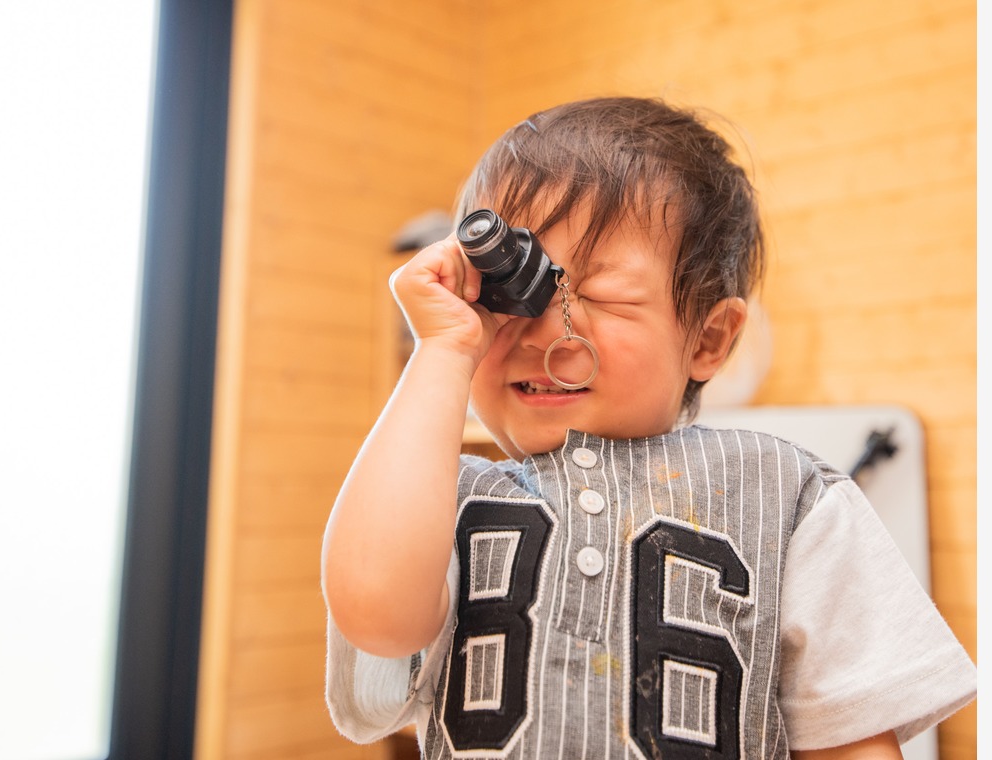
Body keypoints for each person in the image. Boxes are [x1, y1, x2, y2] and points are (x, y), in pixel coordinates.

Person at [320, 97, 975, 759]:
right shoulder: (446, 504)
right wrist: (442, 348)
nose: (541, 329)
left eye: (598, 295)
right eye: (505, 293)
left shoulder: (789, 497)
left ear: (709, 339)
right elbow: (377, 614)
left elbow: (851, 738)